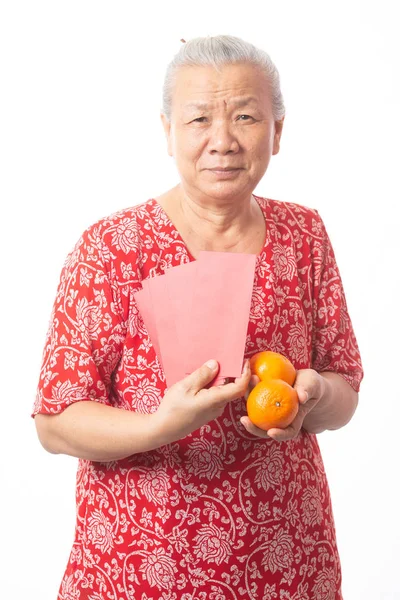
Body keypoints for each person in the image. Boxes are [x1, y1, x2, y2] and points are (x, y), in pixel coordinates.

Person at [33, 35, 363, 600]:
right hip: (143, 564)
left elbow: (344, 387)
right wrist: (162, 426)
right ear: (167, 131)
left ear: (277, 132)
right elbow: (56, 421)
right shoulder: (112, 248)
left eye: (245, 116)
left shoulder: (304, 235)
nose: (223, 141)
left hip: (287, 561)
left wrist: (311, 397)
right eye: (199, 118)